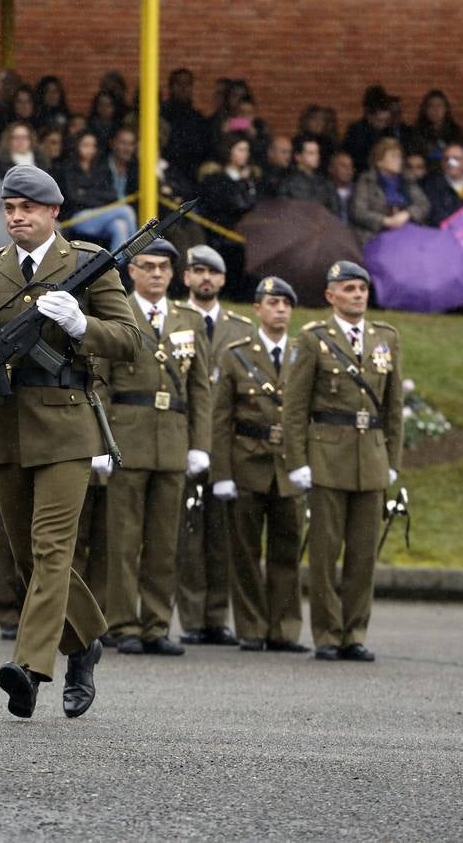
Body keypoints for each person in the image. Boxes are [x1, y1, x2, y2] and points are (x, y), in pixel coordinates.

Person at [0, 165, 140, 719]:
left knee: (52, 549)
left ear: (54, 213)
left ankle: (28, 668)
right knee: (27, 557)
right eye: (9, 208)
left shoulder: (87, 265)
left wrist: (80, 326)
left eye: (28, 208)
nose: (17, 217)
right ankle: (86, 642)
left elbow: (130, 341)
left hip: (68, 425)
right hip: (6, 423)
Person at [283, 261, 404, 663]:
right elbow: (295, 407)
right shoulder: (313, 338)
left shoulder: (386, 338)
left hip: (370, 455)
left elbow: (393, 407)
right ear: (331, 295)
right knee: (324, 552)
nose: (358, 295)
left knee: (363, 554)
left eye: (362, 289)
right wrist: (298, 460)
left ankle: (355, 632)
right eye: (349, 289)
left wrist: (392, 459)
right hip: (327, 456)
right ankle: (328, 634)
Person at [102, 239, 211, 657]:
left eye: (164, 267)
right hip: (127, 436)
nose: (156, 274)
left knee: (165, 541)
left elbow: (200, 389)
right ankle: (123, 624)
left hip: (172, 439)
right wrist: (101, 441)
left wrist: (199, 445)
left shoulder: (187, 319)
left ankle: (156, 624)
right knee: (125, 540)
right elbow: (102, 382)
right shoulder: (117, 313)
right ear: (132, 272)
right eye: (147, 266)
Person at [211, 276, 308, 653]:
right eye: (273, 302)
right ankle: (251, 628)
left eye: (286, 303)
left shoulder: (304, 352)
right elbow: (220, 420)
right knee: (246, 553)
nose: (280, 309)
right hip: (247, 462)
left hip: (289, 465)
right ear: (257, 309)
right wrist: (221, 473)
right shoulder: (236, 354)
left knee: (287, 552)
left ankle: (284, 630)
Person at [175, 246, 252, 647]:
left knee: (222, 533)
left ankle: (216, 617)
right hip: (182, 435)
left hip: (226, 442)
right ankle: (190, 616)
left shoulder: (241, 329)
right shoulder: (174, 320)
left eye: (213, 272)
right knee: (187, 533)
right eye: (198, 271)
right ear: (186, 277)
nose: (206, 278)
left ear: (223, 280)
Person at [57, 130, 138, 246]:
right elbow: (73, 198)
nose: (90, 150)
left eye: (93, 146)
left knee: (120, 226)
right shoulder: (67, 169)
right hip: (77, 218)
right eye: (85, 145)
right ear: (76, 146)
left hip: (100, 214)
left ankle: (117, 264)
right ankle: (138, 251)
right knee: (126, 210)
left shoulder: (100, 168)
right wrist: (98, 197)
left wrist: (86, 193)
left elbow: (112, 195)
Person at [350, 138, 430, 245]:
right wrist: (385, 221)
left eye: (399, 156)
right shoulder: (367, 180)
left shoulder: (407, 179)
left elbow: (424, 204)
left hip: (408, 234)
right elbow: (358, 212)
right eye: (393, 156)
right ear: (379, 161)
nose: (399, 160)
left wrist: (407, 214)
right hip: (376, 236)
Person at [422, 142, 463, 225]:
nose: (450, 163)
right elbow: (435, 216)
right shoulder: (431, 185)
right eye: (446, 159)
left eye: (456, 159)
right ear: (442, 163)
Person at [279, 133, 340, 214]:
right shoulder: (287, 182)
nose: (316, 156)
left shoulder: (325, 181)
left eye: (317, 152)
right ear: (298, 156)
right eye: (311, 153)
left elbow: (335, 209)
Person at [329, 150, 356, 224]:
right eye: (343, 166)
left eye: (350, 166)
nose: (348, 170)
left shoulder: (359, 191)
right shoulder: (324, 191)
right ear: (331, 169)